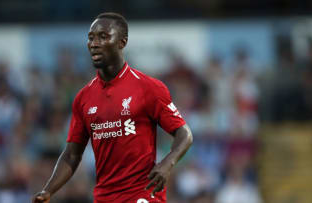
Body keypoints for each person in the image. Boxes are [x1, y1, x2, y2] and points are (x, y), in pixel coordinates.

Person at [32, 12, 193, 203]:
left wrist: (167, 163)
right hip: (105, 197)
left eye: (103, 36)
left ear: (122, 42)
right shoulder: (83, 98)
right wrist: (48, 191)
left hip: (142, 193)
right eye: (91, 38)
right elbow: (71, 155)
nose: (94, 43)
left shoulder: (148, 87)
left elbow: (185, 135)